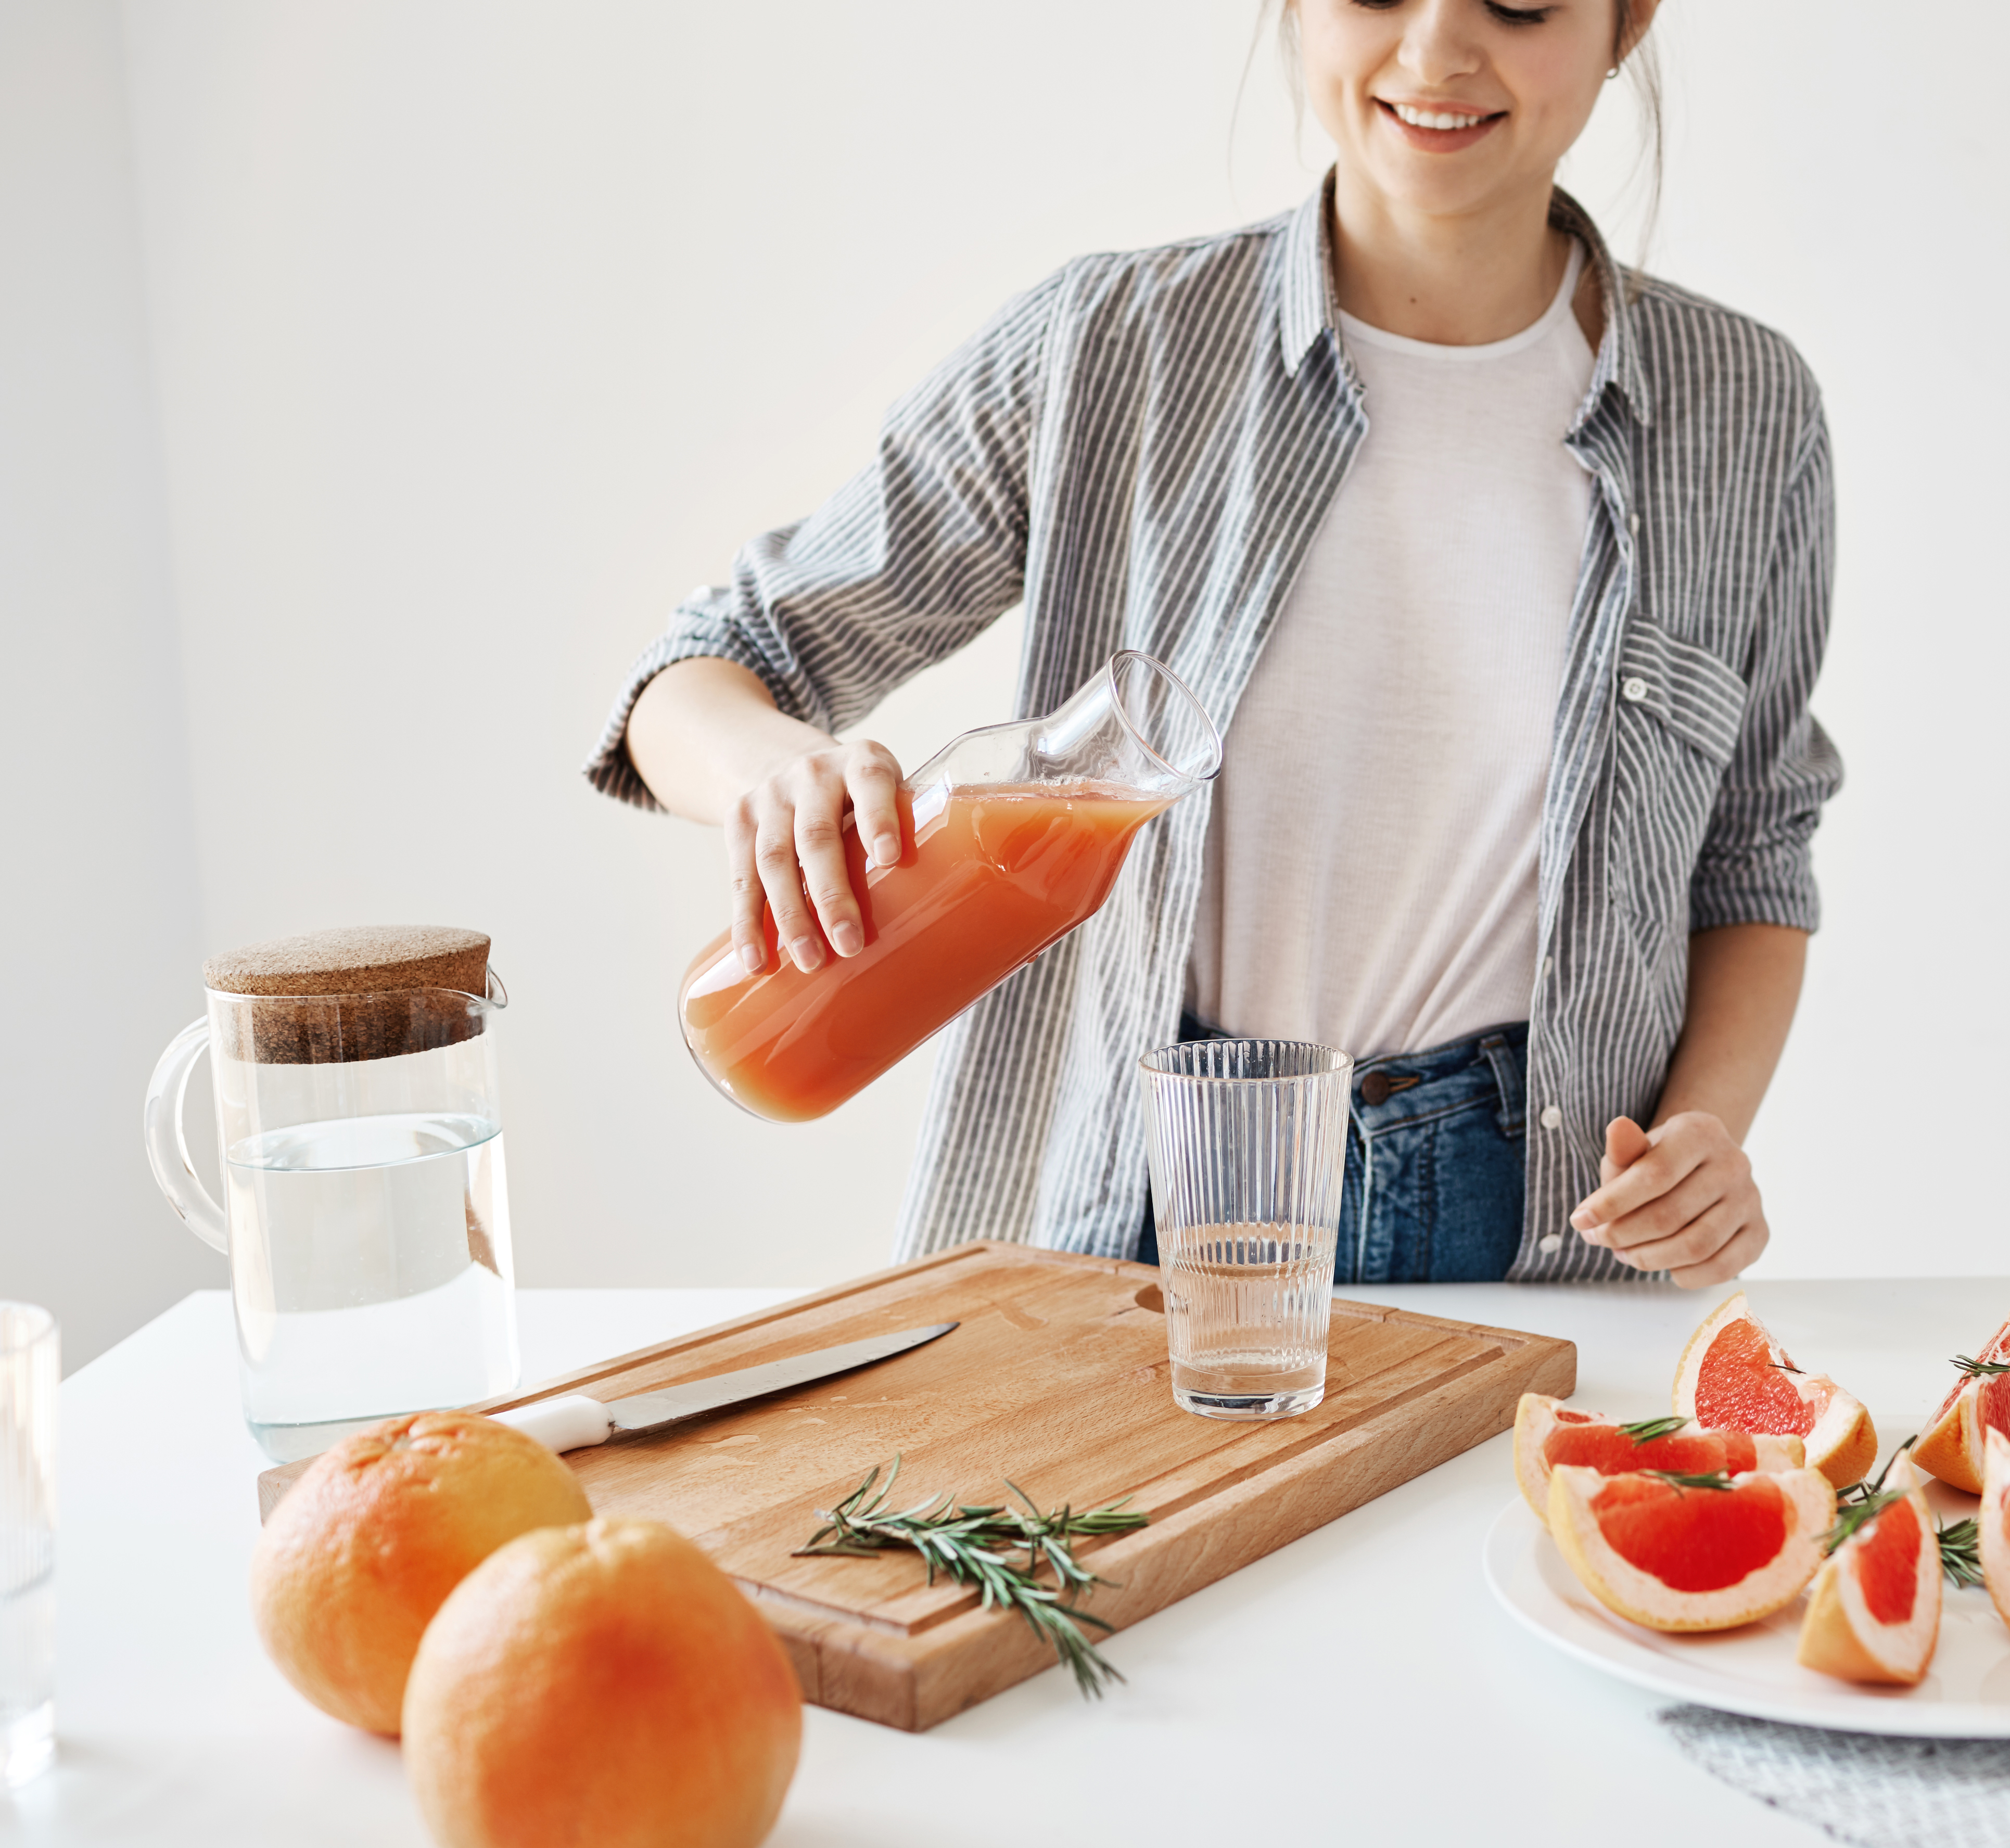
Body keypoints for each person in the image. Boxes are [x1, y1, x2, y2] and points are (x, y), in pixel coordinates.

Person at [586, 0, 1839, 1288]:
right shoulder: (1108, 346)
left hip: (1532, 1214)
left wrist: (1705, 1137)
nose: (1437, 53)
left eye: (1518, 2)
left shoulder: (1747, 411)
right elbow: (707, 666)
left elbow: (1752, 855)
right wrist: (771, 780)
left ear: (1627, 22)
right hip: (1129, 1187)